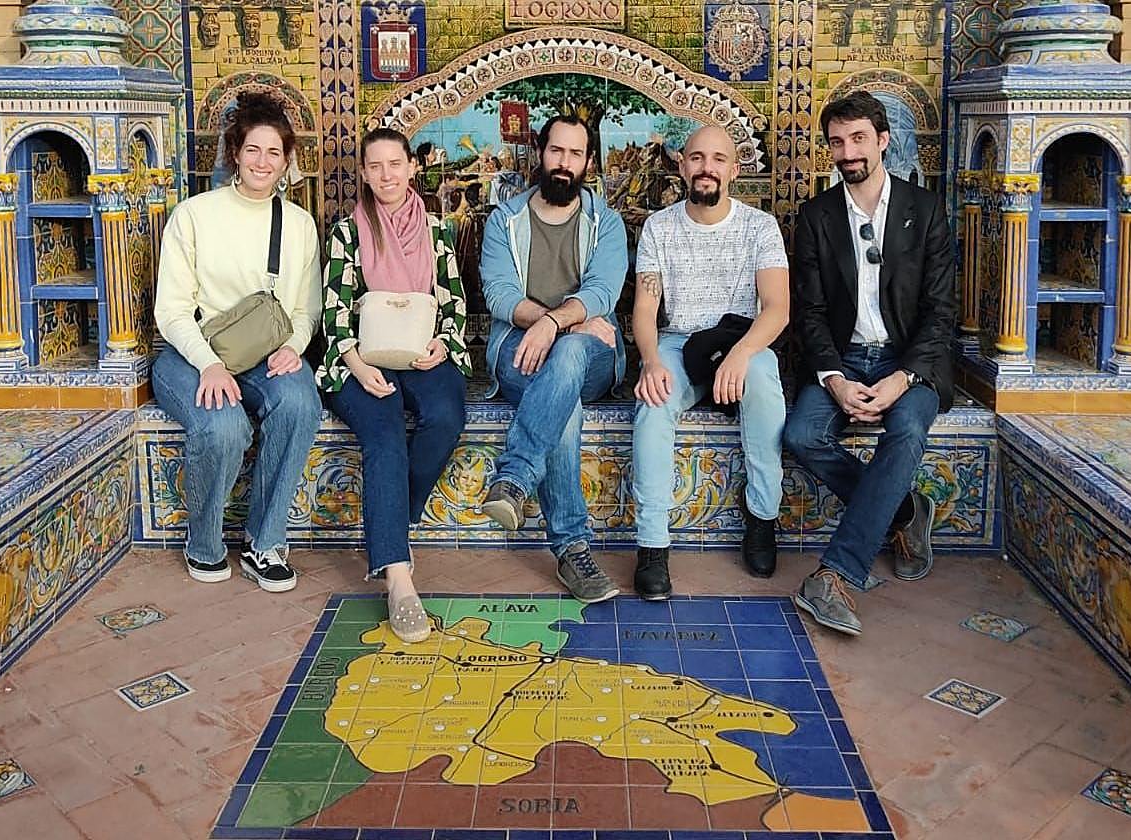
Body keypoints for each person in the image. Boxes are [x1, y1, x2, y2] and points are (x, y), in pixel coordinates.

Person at [785, 91, 956, 636]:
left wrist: (902, 378)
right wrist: (834, 378)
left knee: (905, 430)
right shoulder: (815, 217)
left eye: (858, 138)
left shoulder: (924, 211)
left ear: (883, 141)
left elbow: (941, 311)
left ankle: (836, 575)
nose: (847, 151)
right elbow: (809, 312)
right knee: (802, 434)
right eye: (836, 141)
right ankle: (906, 513)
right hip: (844, 358)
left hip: (911, 362)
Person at [153, 91, 322, 593]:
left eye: (274, 152)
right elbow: (172, 310)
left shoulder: (297, 224)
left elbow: (304, 308)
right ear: (235, 154)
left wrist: (295, 344)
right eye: (253, 150)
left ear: (287, 160)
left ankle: (264, 543)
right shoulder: (194, 215)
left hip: (264, 352)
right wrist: (209, 365)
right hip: (191, 353)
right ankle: (203, 543)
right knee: (224, 427)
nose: (263, 162)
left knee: (299, 404)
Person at [317, 128, 470, 644]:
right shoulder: (347, 233)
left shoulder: (436, 231)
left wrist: (443, 345)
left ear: (411, 168)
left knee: (446, 416)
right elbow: (334, 310)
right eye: (375, 166)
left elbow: (453, 302)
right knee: (382, 434)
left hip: (422, 352)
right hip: (359, 358)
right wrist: (357, 364)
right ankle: (399, 580)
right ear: (363, 172)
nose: (386, 175)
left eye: (395, 164)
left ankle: (391, 528)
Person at [630, 126, 790, 600]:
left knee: (763, 387)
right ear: (682, 166)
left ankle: (762, 517)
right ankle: (652, 546)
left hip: (743, 340)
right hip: (678, 344)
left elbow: (777, 308)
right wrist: (652, 360)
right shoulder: (660, 227)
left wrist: (741, 356)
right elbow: (644, 309)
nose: (706, 167)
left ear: (734, 170)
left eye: (718, 159)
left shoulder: (759, 227)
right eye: (697, 158)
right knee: (652, 404)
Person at [478, 114, 628, 604]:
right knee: (563, 403)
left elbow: (603, 289)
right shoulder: (505, 220)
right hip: (518, 353)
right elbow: (499, 294)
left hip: (593, 354)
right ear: (540, 153)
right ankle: (572, 550)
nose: (565, 163)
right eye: (556, 151)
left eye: (576, 154)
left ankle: (515, 477)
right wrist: (558, 321)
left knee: (567, 355)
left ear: (589, 162)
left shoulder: (606, 222)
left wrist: (553, 325)